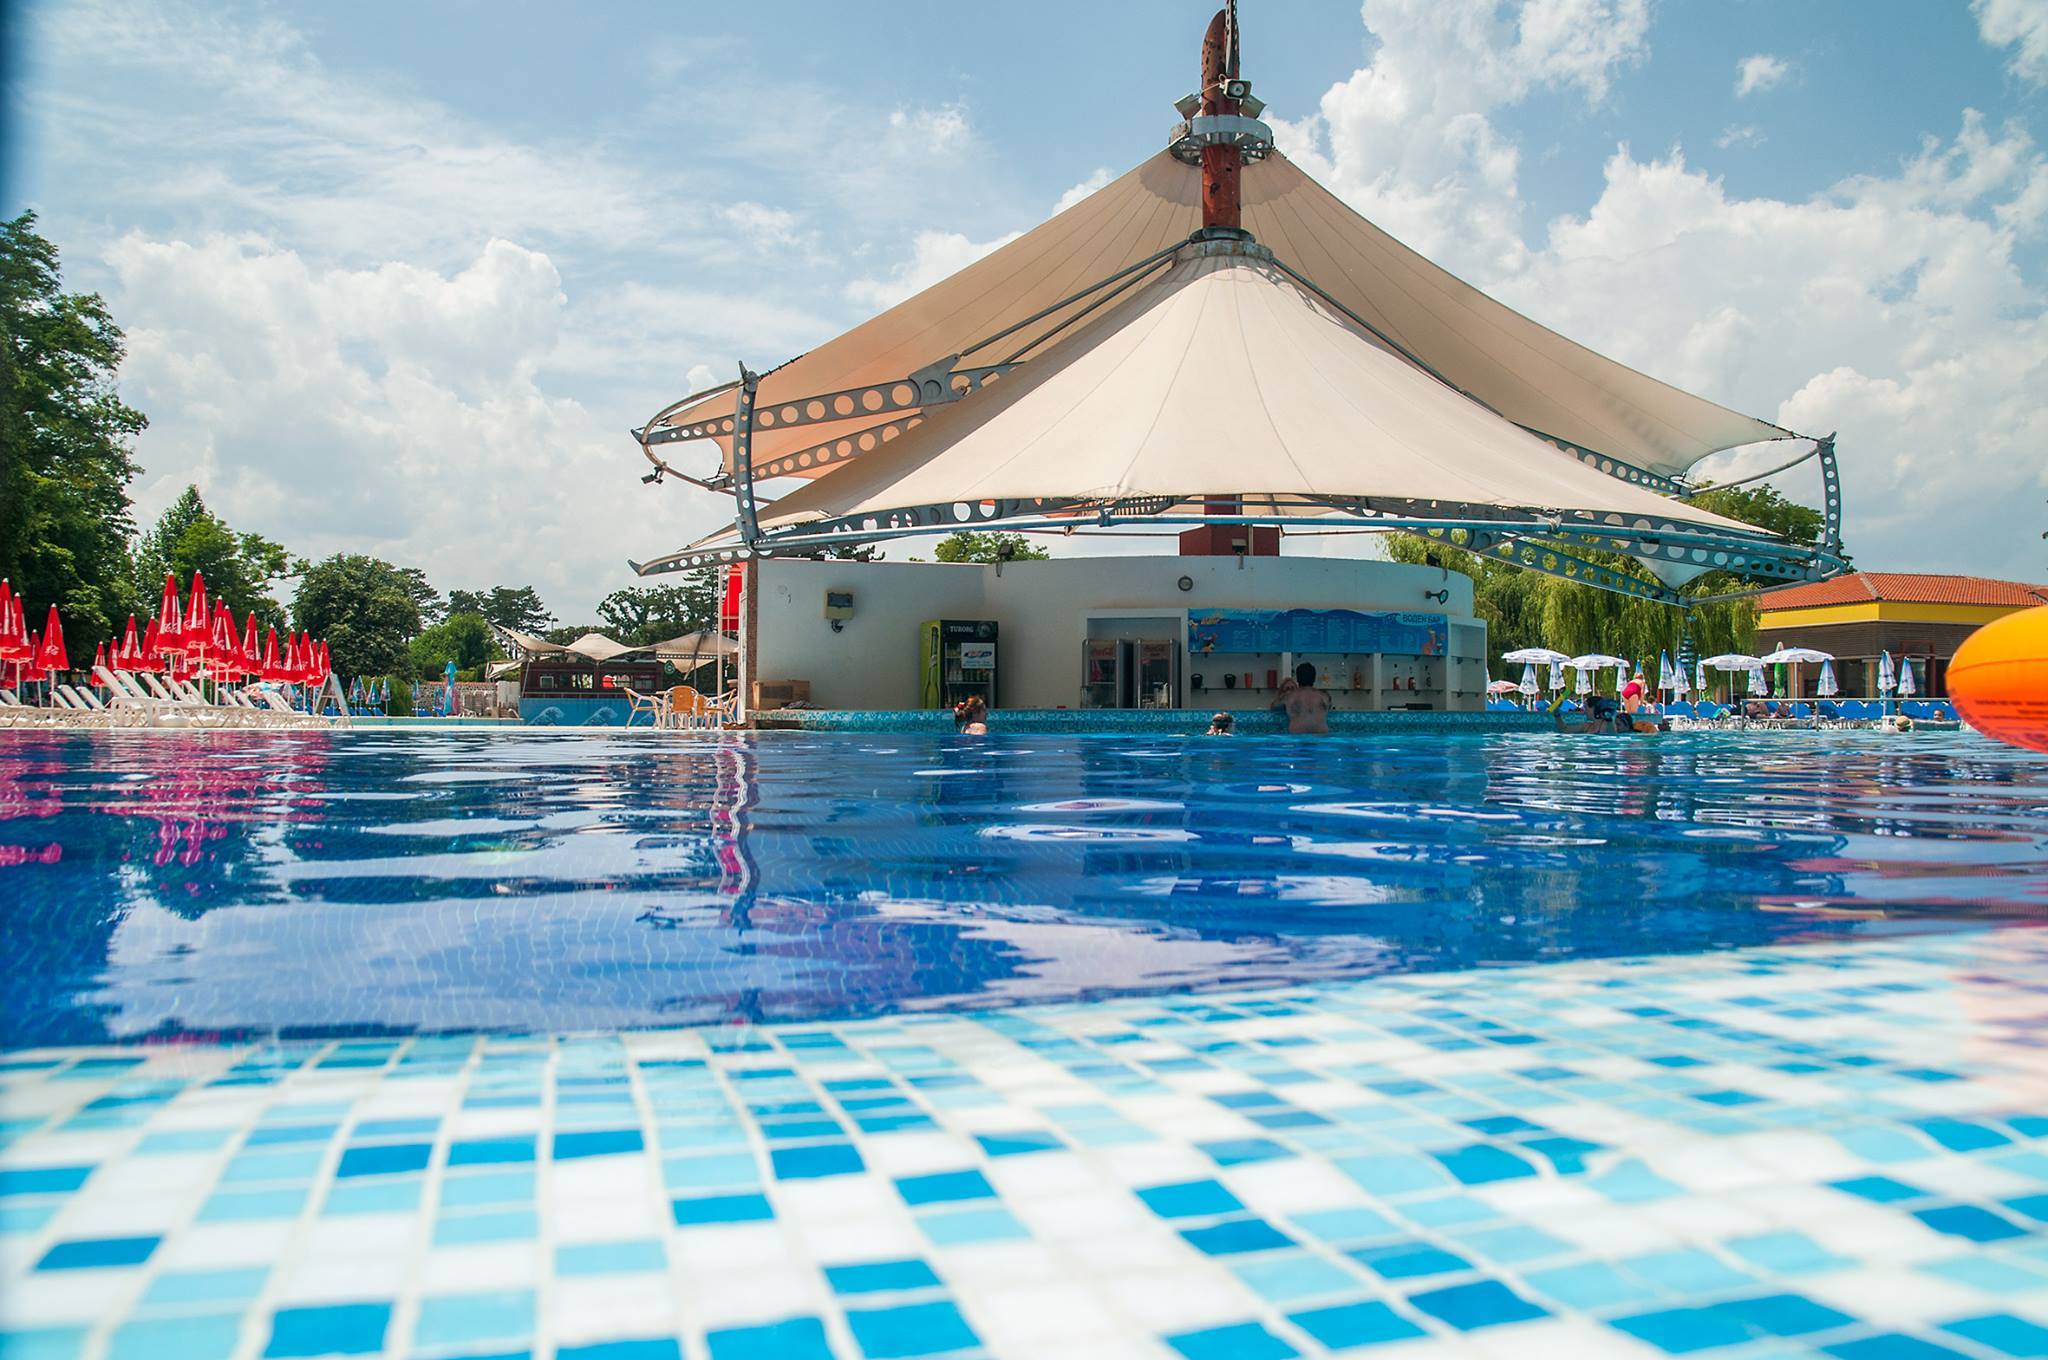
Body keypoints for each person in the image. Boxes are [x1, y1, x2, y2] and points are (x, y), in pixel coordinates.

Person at [1269, 662, 1331, 734]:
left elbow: (1273, 707)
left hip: (1298, 736)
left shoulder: (1289, 696)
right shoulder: (1325, 696)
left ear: (1297, 679)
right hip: (1321, 736)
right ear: (1314, 679)